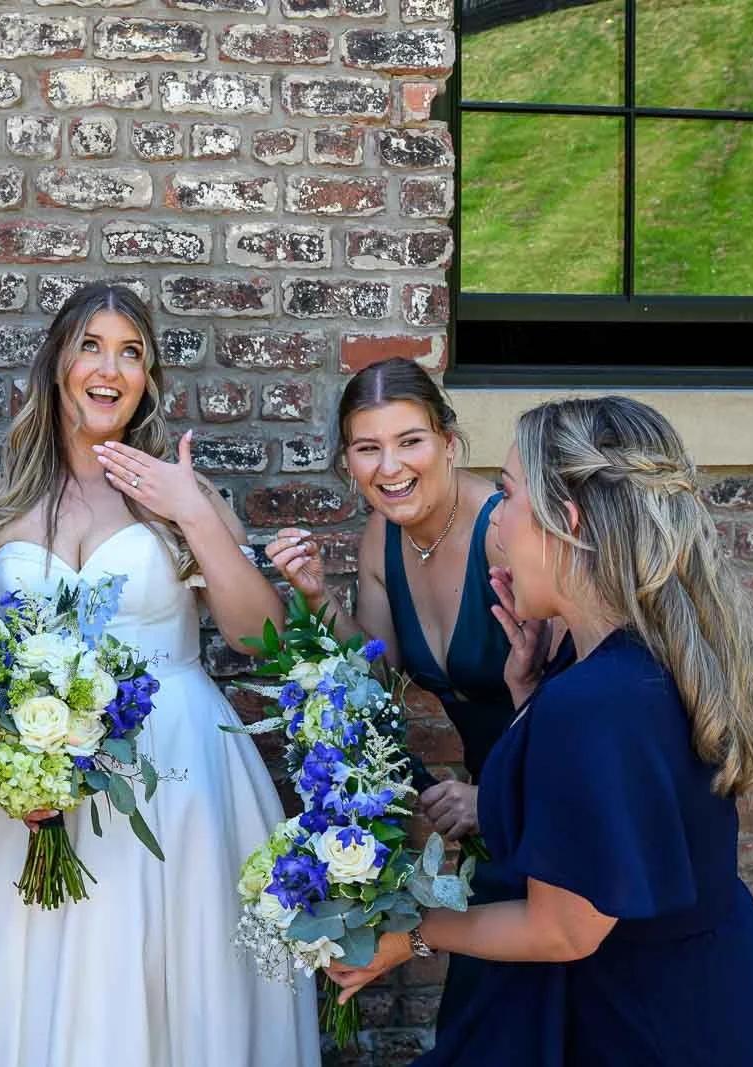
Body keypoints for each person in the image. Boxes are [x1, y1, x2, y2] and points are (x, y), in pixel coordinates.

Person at [0, 283, 318, 1067]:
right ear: (58, 364)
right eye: (91, 346)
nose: (110, 369)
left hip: (177, 774)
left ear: (148, 379)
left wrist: (194, 513)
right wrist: (5, 742)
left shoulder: (181, 496)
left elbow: (259, 636)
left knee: (170, 973)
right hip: (35, 783)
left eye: (131, 353)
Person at [324, 396, 753, 1066]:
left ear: (566, 520)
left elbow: (563, 929)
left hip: (652, 1026)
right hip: (709, 991)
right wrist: (527, 694)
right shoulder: (626, 656)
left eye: (507, 494)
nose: (497, 521)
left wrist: (408, 933)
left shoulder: (593, 699)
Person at [263, 356, 563, 1028]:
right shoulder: (383, 537)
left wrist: (495, 798)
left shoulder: (505, 534)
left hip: (549, 803)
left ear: (449, 443)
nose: (390, 467)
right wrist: (315, 594)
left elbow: (577, 693)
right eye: (368, 448)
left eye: (410, 441)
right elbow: (379, 676)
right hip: (489, 817)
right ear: (348, 461)